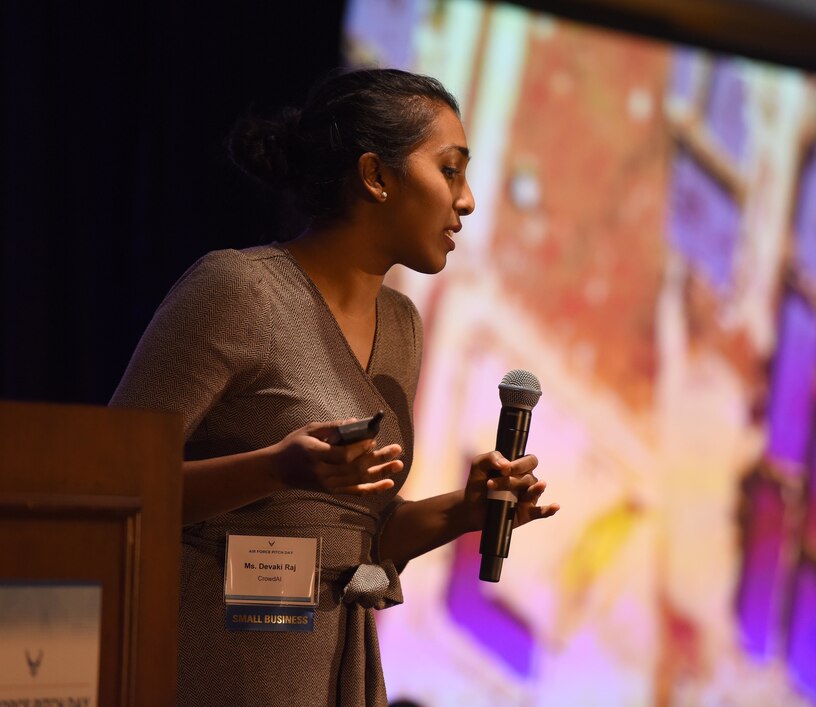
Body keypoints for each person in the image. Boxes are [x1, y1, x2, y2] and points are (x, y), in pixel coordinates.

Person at [110, 67, 559, 707]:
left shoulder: (403, 326)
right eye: (451, 171)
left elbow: (357, 537)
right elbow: (111, 488)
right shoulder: (239, 290)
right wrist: (276, 469)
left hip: (329, 672)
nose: (467, 200)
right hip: (210, 665)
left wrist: (464, 511)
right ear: (376, 177)